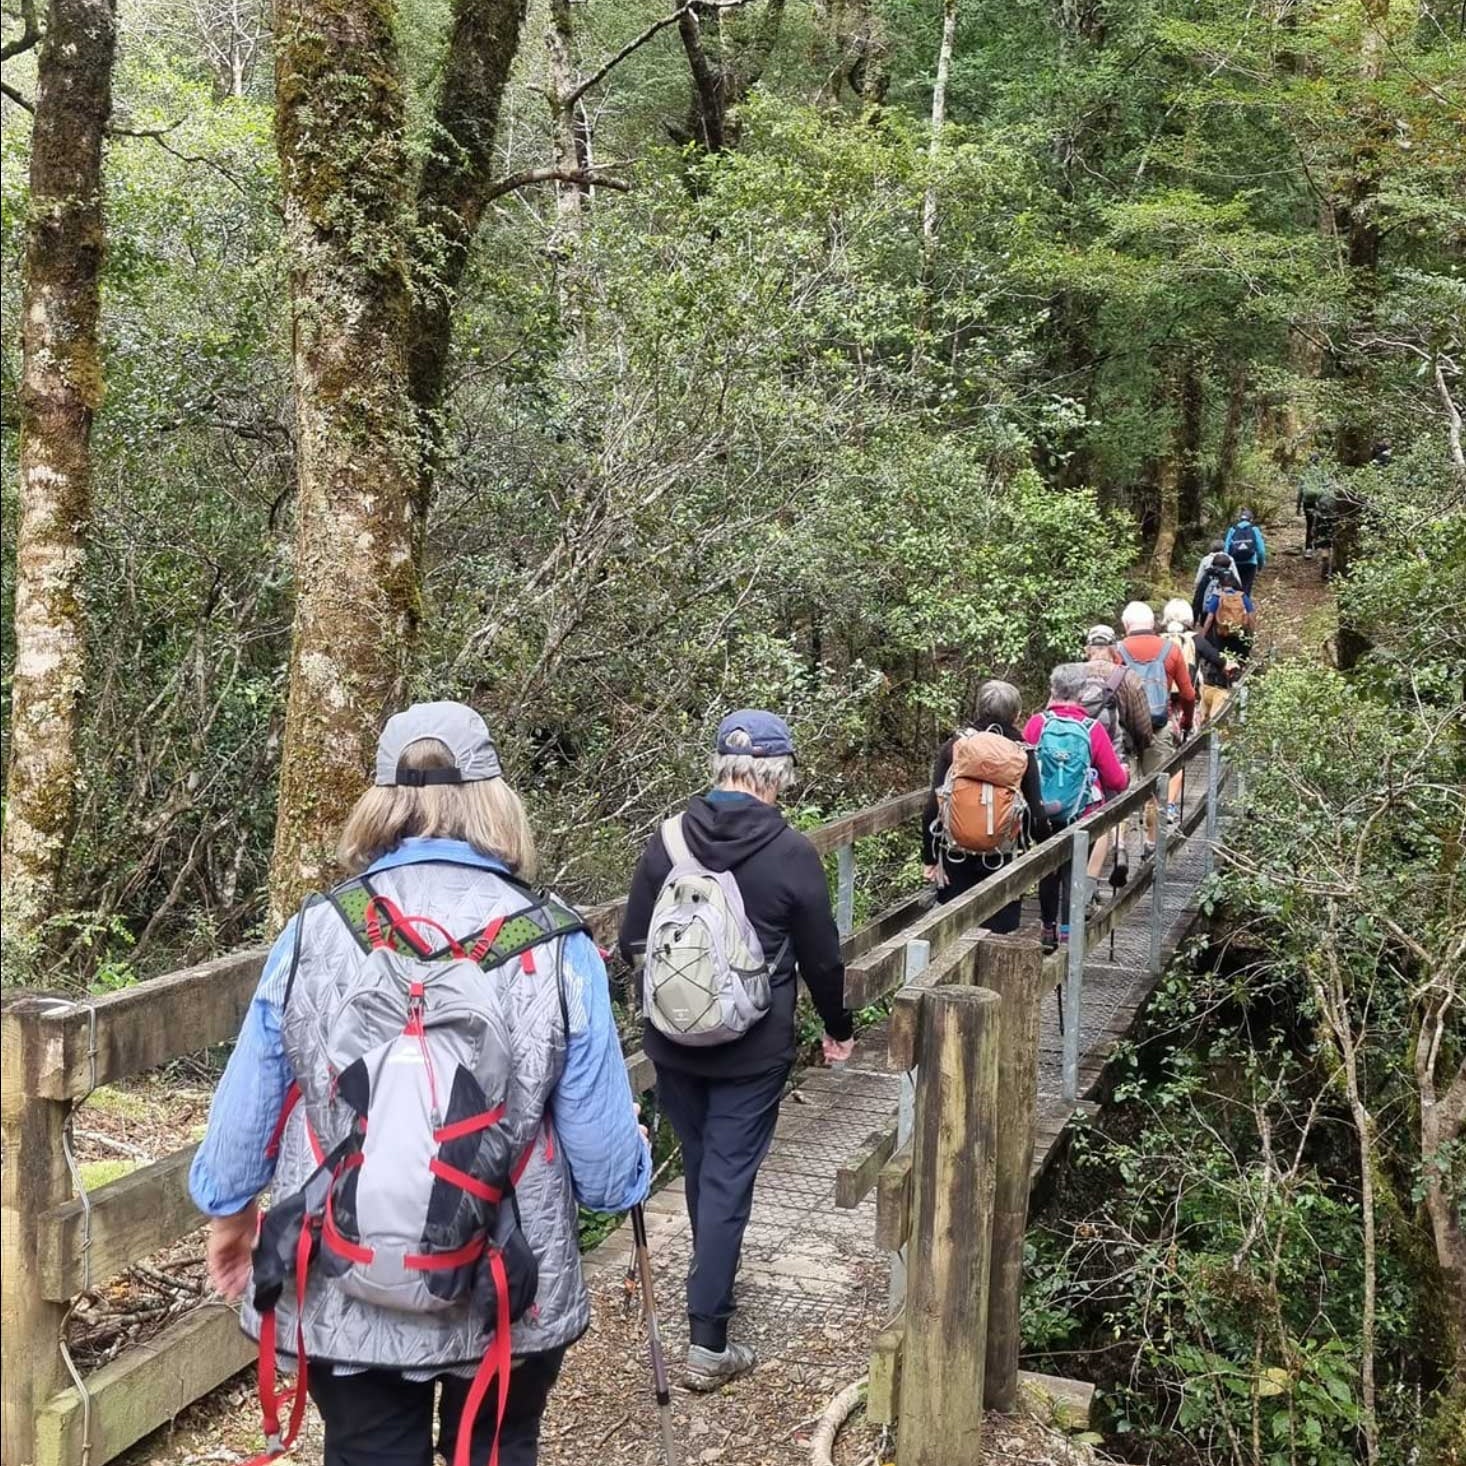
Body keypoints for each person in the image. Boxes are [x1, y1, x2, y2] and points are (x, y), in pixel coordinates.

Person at [189, 702, 650, 1466]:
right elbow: (603, 1174)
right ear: (494, 798)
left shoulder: (317, 930)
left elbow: (249, 1110)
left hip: (342, 1266)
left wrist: (230, 1218)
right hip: (510, 1281)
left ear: (381, 800)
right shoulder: (556, 940)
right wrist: (630, 1156)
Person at [619, 711, 855, 1391]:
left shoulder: (666, 843)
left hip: (672, 1040)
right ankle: (708, 1340)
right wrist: (837, 1027)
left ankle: (710, 1281)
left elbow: (635, 941)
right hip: (752, 1047)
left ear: (719, 766)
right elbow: (823, 960)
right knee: (727, 1179)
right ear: (779, 776)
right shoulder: (791, 854)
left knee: (702, 1169)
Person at [920, 679, 1052, 929]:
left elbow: (932, 808)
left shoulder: (956, 746)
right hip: (1002, 860)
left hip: (954, 858)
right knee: (998, 935)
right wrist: (1045, 858)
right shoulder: (1022, 751)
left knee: (953, 933)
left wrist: (930, 858)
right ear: (1017, 715)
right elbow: (1036, 815)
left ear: (978, 709)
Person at [1024, 663, 1129, 950]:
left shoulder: (1037, 724)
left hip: (1043, 813)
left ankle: (1047, 930)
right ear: (1082, 693)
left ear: (1053, 690)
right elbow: (1117, 781)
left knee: (1048, 868)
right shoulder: (1092, 729)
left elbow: (1019, 767)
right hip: (1081, 814)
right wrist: (1126, 772)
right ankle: (1070, 932)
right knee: (1073, 870)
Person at [1116, 601, 1196, 857]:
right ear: (1153, 624)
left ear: (1126, 625)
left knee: (1123, 789)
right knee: (1156, 788)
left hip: (1125, 728)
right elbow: (1188, 694)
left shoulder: (1118, 650)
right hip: (1158, 726)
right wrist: (1185, 722)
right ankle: (1151, 844)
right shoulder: (1170, 650)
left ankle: (1120, 846)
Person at [1159, 599, 1225, 824]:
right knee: (1179, 755)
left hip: (1159, 705)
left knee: (1158, 754)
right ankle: (1168, 805)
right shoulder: (1196, 640)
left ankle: (1151, 803)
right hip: (1186, 706)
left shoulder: (1158, 641)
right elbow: (1218, 659)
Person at [1191, 545, 1242, 625]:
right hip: (1228, 615)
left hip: (1207, 613)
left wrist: (1195, 617)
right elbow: (1240, 590)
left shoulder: (1208, 575)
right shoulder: (1231, 577)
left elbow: (1199, 597)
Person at [1223, 509, 1267, 596]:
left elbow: (1226, 549)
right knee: (1246, 589)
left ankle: (1233, 606)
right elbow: (1261, 550)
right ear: (1251, 519)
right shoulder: (1254, 529)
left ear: (1240, 519)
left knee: (1234, 589)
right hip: (1250, 563)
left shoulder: (1232, 529)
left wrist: (1226, 566)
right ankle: (1245, 607)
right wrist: (1260, 564)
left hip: (1235, 563)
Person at [1297, 455, 1333, 559]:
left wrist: (1298, 507)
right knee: (1320, 524)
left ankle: (1309, 549)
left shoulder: (1305, 473)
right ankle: (1322, 547)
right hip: (1321, 502)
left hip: (1307, 502)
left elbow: (1300, 491)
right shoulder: (1323, 473)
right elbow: (1327, 489)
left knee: (1309, 525)